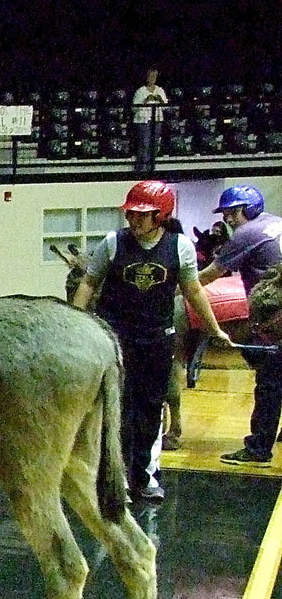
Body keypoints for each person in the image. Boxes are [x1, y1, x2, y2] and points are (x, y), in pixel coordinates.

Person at [72, 180, 230, 501]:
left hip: (158, 340)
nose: (133, 220)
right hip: (116, 340)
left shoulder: (180, 247)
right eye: (130, 213)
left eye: (142, 215)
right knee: (118, 409)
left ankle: (145, 476)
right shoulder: (113, 243)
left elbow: (193, 290)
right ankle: (116, 479)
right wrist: (75, 323)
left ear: (161, 215)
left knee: (150, 409)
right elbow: (89, 283)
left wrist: (214, 329)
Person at [197, 185, 282, 466]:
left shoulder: (247, 234)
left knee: (269, 382)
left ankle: (258, 449)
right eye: (226, 214)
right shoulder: (276, 223)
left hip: (275, 318)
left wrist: (174, 288)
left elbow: (209, 275)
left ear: (249, 209)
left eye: (233, 213)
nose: (229, 220)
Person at [131, 67, 168, 172]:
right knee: (145, 144)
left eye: (154, 76)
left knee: (154, 144)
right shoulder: (140, 91)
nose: (152, 78)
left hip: (156, 120)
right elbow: (134, 108)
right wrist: (146, 101)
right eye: (150, 76)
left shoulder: (160, 90)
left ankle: (151, 168)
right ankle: (142, 169)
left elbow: (165, 106)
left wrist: (159, 100)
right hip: (143, 121)